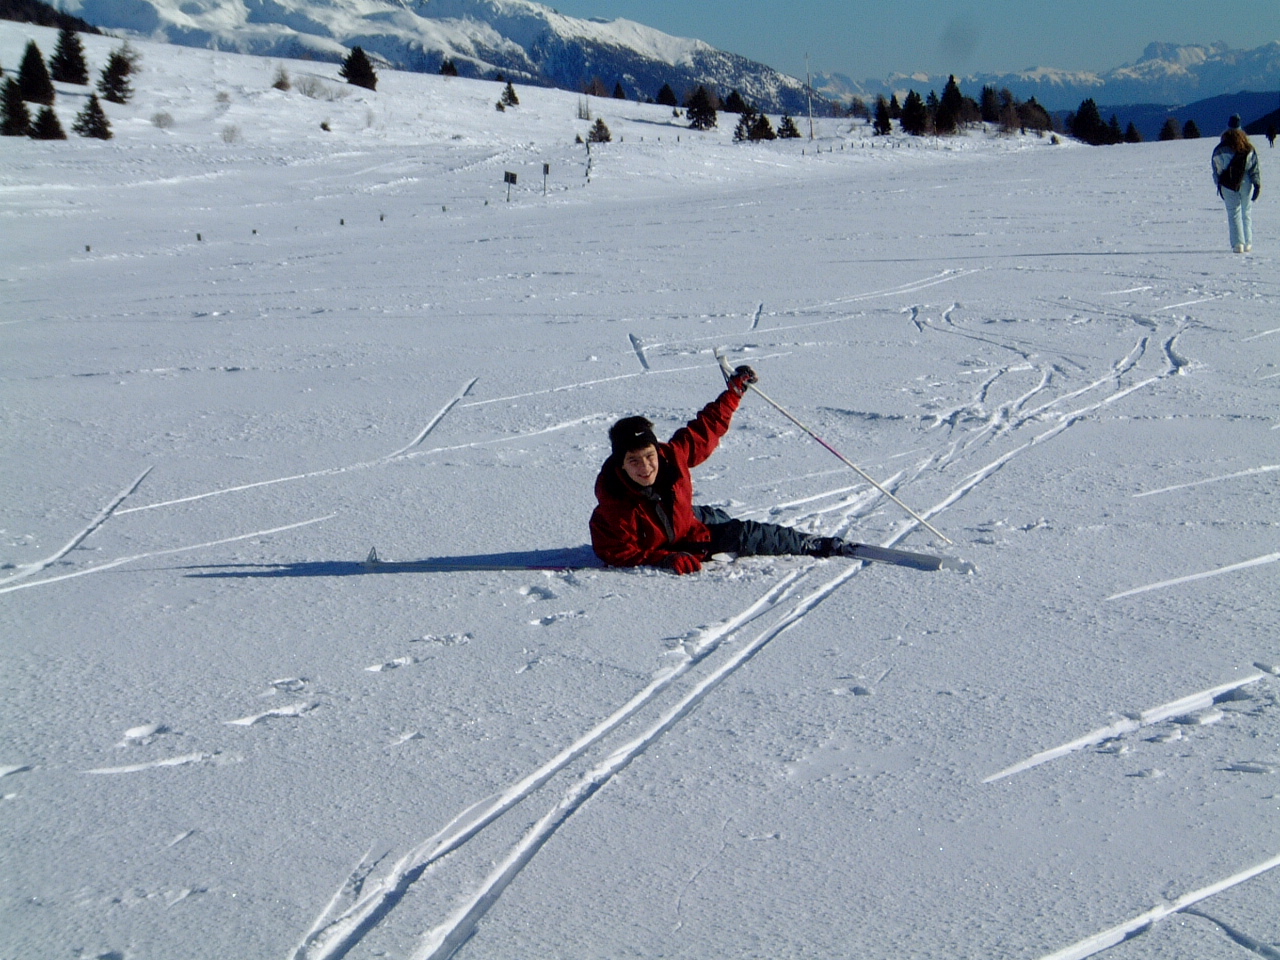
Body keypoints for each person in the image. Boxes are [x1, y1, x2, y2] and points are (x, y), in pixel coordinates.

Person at [590, 366, 860, 573]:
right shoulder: (612, 508)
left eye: (649, 456)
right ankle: (811, 544)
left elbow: (706, 427)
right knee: (746, 534)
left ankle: (711, 519)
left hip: (686, 518)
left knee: (717, 515)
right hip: (687, 540)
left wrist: (734, 393)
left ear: (657, 451)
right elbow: (616, 553)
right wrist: (666, 558)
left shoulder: (672, 456)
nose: (646, 467)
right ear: (621, 464)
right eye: (634, 461)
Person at [1212, 117, 1262, 253]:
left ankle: (1238, 244)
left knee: (1233, 213)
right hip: (1246, 182)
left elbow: (1217, 170)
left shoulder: (1220, 149)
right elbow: (1254, 168)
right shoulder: (1248, 148)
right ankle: (1248, 243)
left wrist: (1219, 185)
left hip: (1228, 183)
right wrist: (1257, 184)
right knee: (1246, 212)